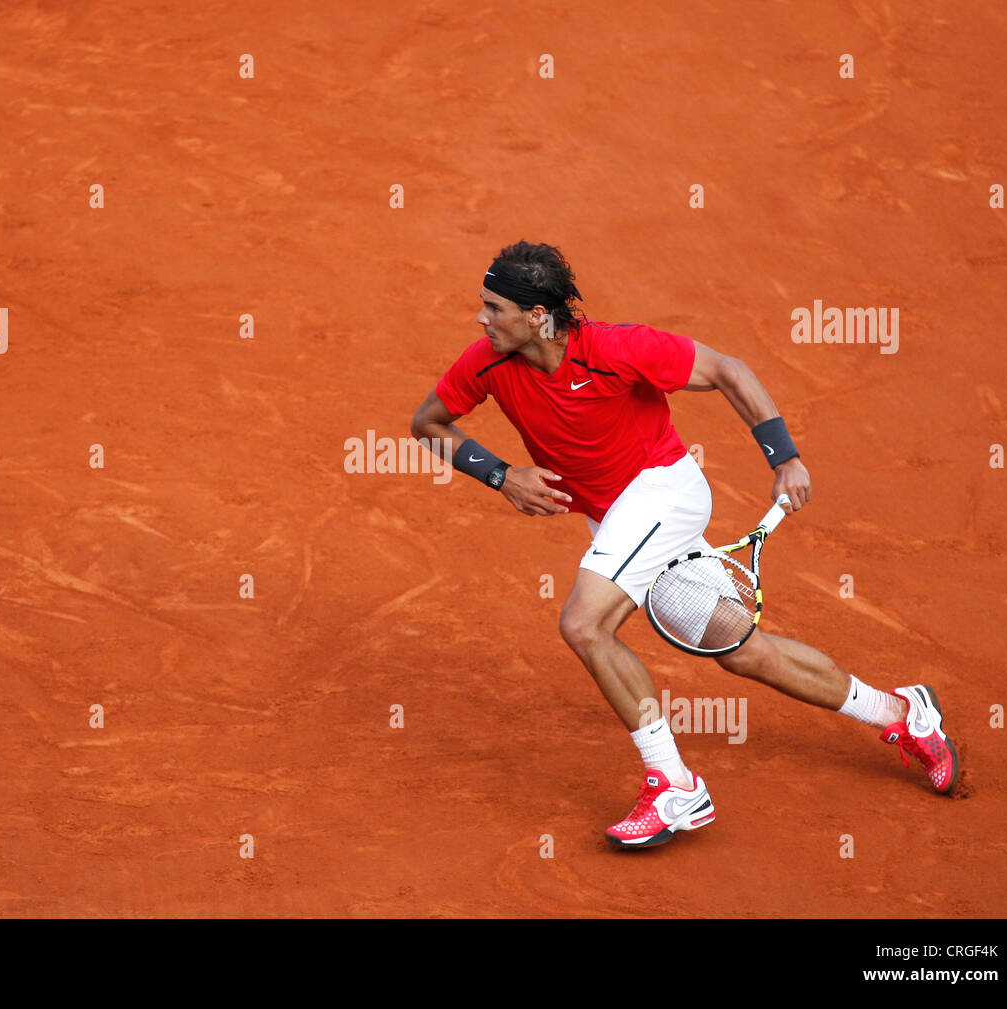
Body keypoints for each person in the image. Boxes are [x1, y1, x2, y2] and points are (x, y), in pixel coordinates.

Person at [410, 240, 959, 848]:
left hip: (661, 492)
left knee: (585, 626)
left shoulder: (618, 348)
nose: (481, 318)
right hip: (615, 519)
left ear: (537, 316)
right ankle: (901, 712)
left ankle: (674, 785)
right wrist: (501, 474)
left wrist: (787, 460)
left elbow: (730, 370)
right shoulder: (485, 362)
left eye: (494, 307)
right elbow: (427, 423)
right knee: (740, 649)